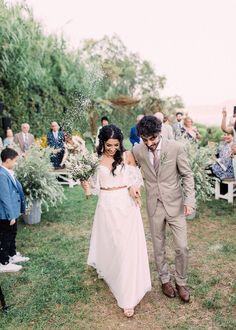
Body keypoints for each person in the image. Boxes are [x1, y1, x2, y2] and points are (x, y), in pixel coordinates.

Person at [87, 124, 151, 318]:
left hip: (126, 205)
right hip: (106, 206)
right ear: (102, 142)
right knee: (112, 244)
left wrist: (135, 191)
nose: (113, 148)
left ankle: (128, 297)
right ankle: (111, 271)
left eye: (116, 144)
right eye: (109, 144)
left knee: (126, 248)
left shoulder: (126, 156)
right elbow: (91, 186)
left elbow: (133, 180)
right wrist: (85, 186)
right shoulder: (94, 159)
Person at [132, 116, 195, 303]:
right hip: (154, 204)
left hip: (175, 204)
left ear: (159, 133)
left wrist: (189, 200)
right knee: (158, 246)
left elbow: (187, 174)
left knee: (182, 246)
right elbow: (129, 169)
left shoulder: (175, 147)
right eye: (145, 139)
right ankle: (165, 280)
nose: (149, 143)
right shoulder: (137, 150)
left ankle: (181, 282)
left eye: (153, 138)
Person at [0, 148, 29, 273]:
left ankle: (12, 255)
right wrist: (11, 215)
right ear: (8, 160)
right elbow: (5, 197)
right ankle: (4, 262)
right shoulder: (2, 175)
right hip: (6, 214)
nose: (16, 163)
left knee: (12, 234)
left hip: (12, 213)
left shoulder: (8, 172)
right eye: (15, 161)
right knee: (6, 237)